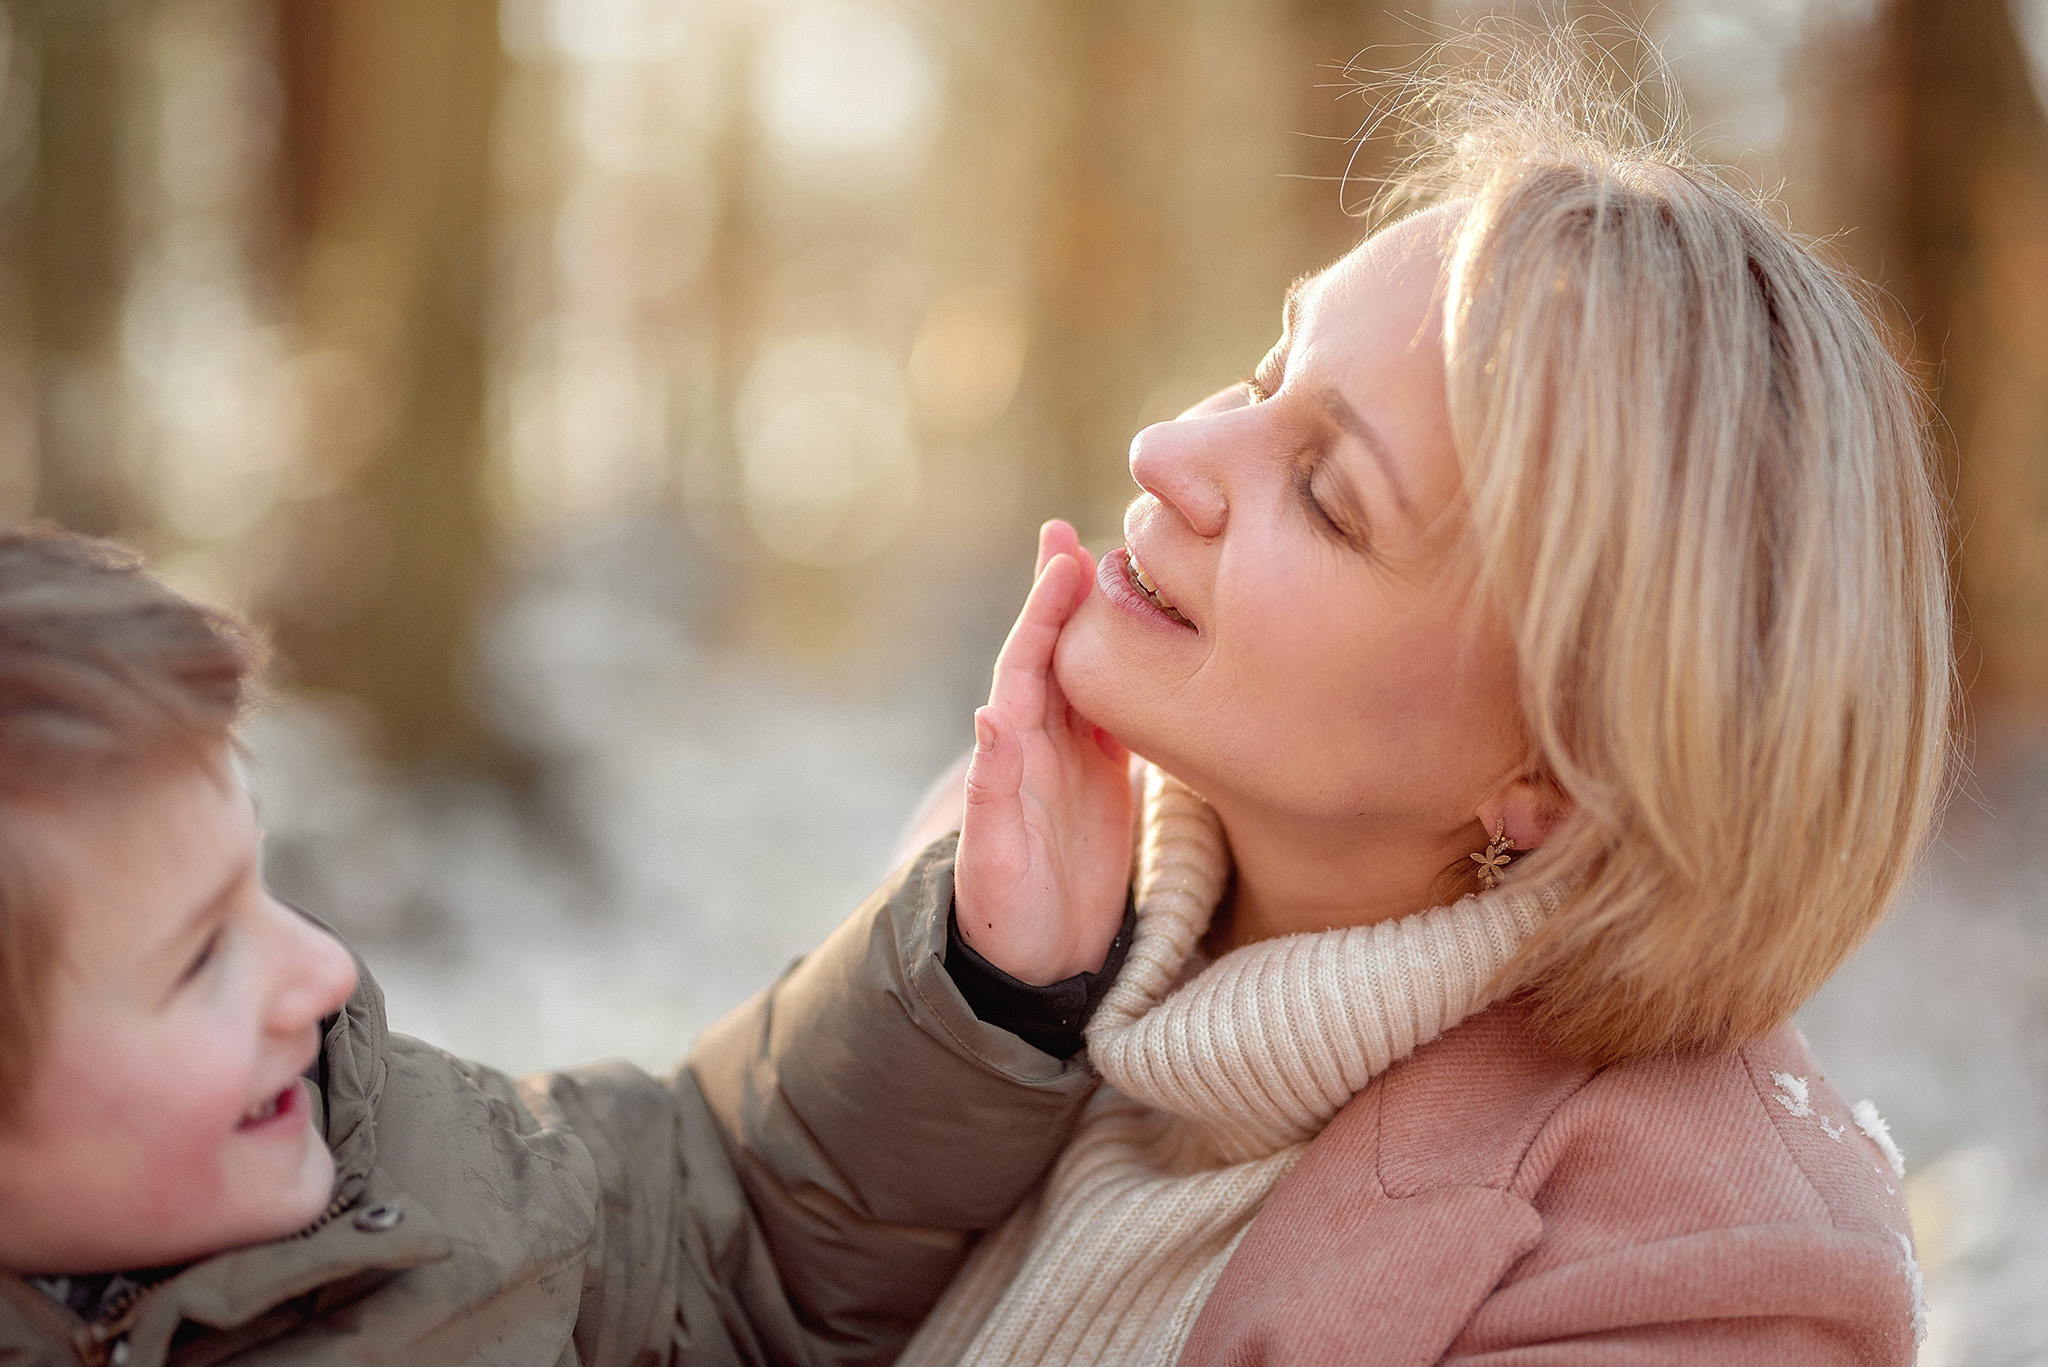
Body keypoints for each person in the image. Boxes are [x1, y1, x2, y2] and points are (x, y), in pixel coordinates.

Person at [893, 29, 1949, 1367]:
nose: (1164, 451)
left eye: (1330, 497)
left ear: (1560, 771)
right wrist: (983, 1006)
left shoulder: (1700, 1278)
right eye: (1269, 372)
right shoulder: (1003, 877)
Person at [0, 522, 1135, 1366]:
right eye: (201, 959)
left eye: (262, 886)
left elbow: (724, 1220)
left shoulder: (411, 1172)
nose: (325, 971)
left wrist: (981, 982)